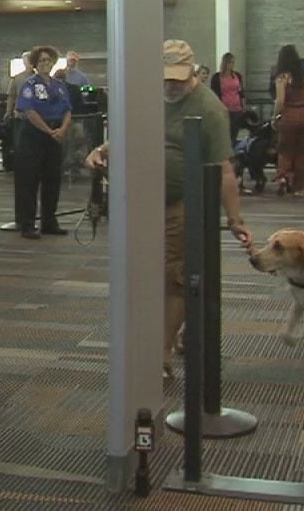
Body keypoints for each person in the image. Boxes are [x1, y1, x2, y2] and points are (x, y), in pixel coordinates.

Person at [84, 40, 253, 379]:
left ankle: (160, 354)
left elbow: (224, 168)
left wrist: (235, 219)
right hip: (145, 202)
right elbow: (130, 135)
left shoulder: (210, 108)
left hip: (186, 200)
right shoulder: (150, 96)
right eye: (164, 79)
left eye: (176, 79)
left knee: (174, 276)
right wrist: (102, 150)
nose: (170, 86)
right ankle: (183, 326)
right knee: (149, 273)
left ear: (192, 71)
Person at [14, 45, 72, 239]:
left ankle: (49, 221)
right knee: (29, 180)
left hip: (55, 134)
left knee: (52, 179)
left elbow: (67, 110)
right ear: (35, 65)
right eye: (41, 61)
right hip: (34, 134)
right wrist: (48, 131)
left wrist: (62, 129)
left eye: (48, 60)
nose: (45, 64)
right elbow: (29, 111)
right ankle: (27, 223)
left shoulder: (59, 85)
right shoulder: (29, 85)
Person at [271, 44, 304, 197]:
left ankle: (284, 177)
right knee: (303, 151)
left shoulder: (282, 77)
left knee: (285, 149)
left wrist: (275, 116)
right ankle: (298, 187)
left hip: (290, 114)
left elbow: (280, 100)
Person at [210, 52, 246, 144]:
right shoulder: (217, 77)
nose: (232, 65)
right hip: (224, 108)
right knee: (225, 133)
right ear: (225, 63)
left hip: (237, 108)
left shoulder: (237, 76)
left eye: (233, 63)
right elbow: (214, 94)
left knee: (234, 132)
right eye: (230, 63)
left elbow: (241, 92)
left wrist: (243, 105)